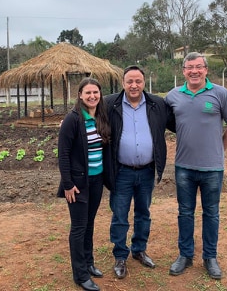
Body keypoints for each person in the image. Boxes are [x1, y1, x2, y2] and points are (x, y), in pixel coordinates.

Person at [165, 52, 227, 280]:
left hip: (212, 169)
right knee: (185, 212)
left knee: (211, 213)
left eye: (199, 67)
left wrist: (218, 150)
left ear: (206, 70)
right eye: (190, 67)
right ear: (183, 71)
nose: (194, 71)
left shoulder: (221, 94)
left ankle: (210, 257)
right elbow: (167, 121)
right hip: (184, 167)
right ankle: (185, 255)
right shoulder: (173, 96)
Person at [106, 65, 169, 279]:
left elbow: (179, 123)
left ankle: (139, 250)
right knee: (120, 214)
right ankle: (120, 255)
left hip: (146, 171)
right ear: (123, 83)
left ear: (144, 82)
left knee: (143, 213)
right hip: (121, 171)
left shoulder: (157, 104)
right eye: (130, 81)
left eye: (138, 81)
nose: (134, 85)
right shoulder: (110, 103)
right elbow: (87, 112)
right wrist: (70, 122)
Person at [57, 77, 114, 291]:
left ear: (100, 95)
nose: (92, 96)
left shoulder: (101, 116)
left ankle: (89, 263)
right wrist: (67, 184)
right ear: (80, 95)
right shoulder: (73, 119)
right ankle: (80, 275)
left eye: (96, 93)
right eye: (88, 93)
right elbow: (63, 154)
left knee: (89, 223)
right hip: (78, 184)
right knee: (79, 228)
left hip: (97, 180)